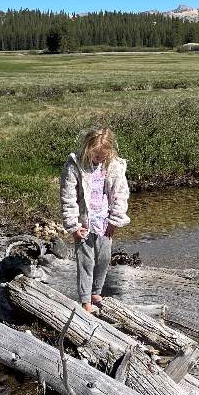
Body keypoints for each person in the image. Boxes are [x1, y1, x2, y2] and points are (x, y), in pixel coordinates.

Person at [60, 127, 130, 313]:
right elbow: (68, 197)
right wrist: (73, 225)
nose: (98, 158)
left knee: (104, 258)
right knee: (86, 261)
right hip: (83, 222)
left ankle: (96, 292)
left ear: (110, 152)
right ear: (87, 148)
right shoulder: (75, 165)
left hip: (105, 221)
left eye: (103, 155)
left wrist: (115, 220)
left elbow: (120, 194)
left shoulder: (114, 166)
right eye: (95, 154)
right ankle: (85, 301)